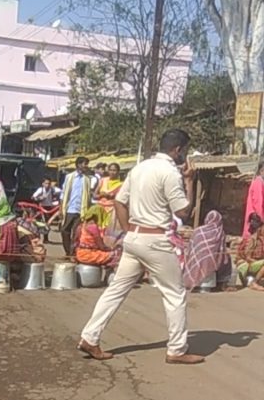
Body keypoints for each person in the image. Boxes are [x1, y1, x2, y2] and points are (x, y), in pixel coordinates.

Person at [78, 129, 204, 365]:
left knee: (116, 290)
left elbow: (118, 202)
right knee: (175, 294)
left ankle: (89, 336)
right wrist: (189, 180)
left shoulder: (139, 168)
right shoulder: (170, 173)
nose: (185, 155)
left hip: (134, 238)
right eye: (185, 150)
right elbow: (183, 211)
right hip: (156, 240)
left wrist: (128, 230)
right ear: (177, 150)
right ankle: (177, 349)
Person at [182, 210, 226, 290]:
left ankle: (193, 281)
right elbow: (222, 252)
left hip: (195, 263)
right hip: (211, 266)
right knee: (226, 260)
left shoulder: (198, 231)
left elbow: (190, 249)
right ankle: (221, 282)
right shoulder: (220, 233)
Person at [60, 156, 91, 257]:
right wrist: (61, 208)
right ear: (78, 165)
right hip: (69, 209)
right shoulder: (70, 177)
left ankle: (73, 253)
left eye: (86, 164)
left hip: (81, 210)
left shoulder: (87, 179)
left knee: (76, 233)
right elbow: (63, 193)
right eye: (84, 164)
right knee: (64, 230)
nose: (86, 166)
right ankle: (68, 251)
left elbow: (88, 196)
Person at [236, 213, 264, 288]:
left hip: (255, 263)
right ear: (259, 229)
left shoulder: (261, 240)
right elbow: (248, 258)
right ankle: (254, 283)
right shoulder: (252, 239)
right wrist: (258, 262)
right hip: (245, 264)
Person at [94, 162, 123, 230]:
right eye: (111, 170)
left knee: (107, 230)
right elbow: (94, 196)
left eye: (114, 170)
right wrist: (101, 195)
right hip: (100, 210)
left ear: (118, 172)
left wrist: (112, 196)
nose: (112, 172)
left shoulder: (120, 185)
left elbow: (120, 200)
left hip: (111, 210)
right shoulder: (103, 180)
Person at [242, 161, 264, 237]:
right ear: (262, 170)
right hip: (256, 220)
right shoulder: (258, 182)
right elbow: (258, 203)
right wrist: (262, 219)